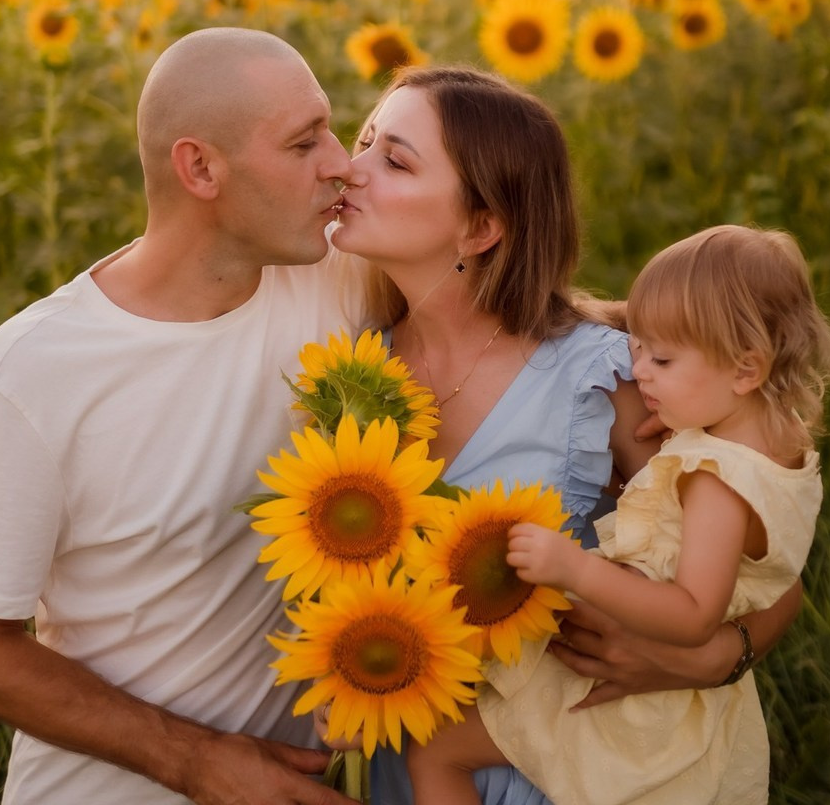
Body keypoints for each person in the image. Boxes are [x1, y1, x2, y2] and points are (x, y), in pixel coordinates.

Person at [327, 70, 804, 805]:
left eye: (393, 159)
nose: (347, 170)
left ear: (481, 229)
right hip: (415, 768)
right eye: (364, 142)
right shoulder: (351, 372)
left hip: (568, 770)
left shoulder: (601, 381)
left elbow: (765, 573)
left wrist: (709, 659)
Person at [0, 28, 370, 804]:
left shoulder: (338, 281)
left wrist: (646, 357)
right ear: (200, 167)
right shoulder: (34, 370)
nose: (341, 162)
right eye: (304, 143)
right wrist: (196, 762)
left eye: (329, 129)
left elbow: (523, 320)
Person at [405, 224, 830, 805]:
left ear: (746, 370)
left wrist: (576, 570)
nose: (640, 373)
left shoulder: (715, 482)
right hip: (656, 690)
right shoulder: (777, 451)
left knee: (436, 750)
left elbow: (692, 615)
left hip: (632, 696)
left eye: (662, 358)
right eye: (638, 350)